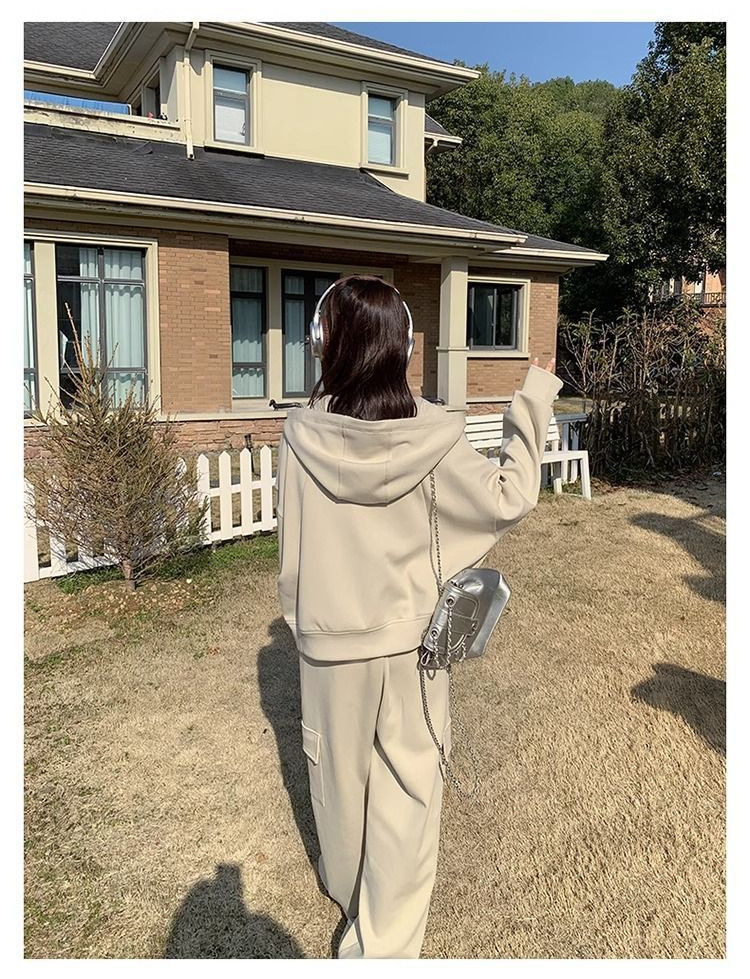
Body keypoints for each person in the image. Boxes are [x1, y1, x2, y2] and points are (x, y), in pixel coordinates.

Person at [275, 274, 562, 958]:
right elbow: (509, 495)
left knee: (336, 783)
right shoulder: (435, 436)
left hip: (329, 646)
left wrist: (306, 619)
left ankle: (350, 893)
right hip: (415, 649)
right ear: (403, 346)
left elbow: (292, 548)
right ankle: (385, 942)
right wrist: (532, 398)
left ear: (324, 343)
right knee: (410, 786)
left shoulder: (298, 434)